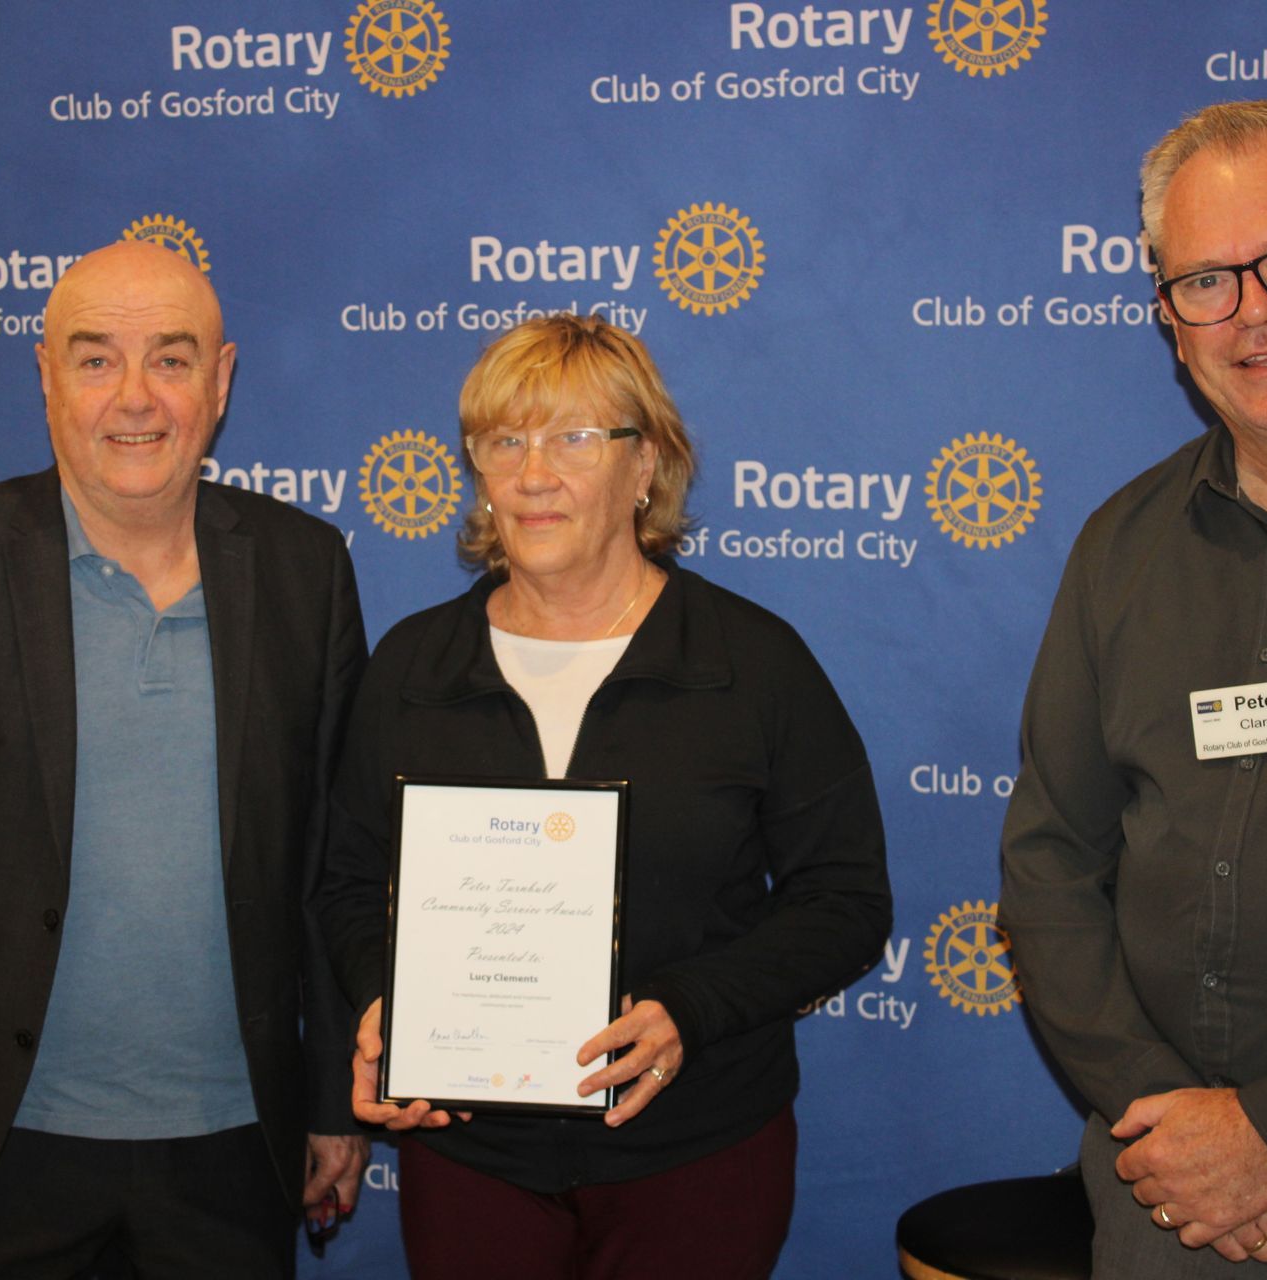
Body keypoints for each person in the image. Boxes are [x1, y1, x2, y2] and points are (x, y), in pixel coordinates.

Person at [0, 241, 369, 1276]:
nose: (136, 398)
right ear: (46, 373)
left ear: (223, 378)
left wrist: (330, 1095)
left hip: (232, 1152)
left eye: (173, 357)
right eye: (97, 358)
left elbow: (331, 864)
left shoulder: (306, 569)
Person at [316, 315, 891, 1278]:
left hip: (695, 1153)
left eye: (575, 437)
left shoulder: (752, 664)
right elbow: (345, 885)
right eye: (506, 440)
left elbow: (845, 902)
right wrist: (386, 1001)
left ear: (646, 467)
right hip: (471, 1160)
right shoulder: (414, 666)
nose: (534, 473)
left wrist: (690, 1008)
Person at [1001, 99, 1267, 1275]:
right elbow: (1047, 864)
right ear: (1169, 319)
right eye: (1206, 281)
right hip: (1166, 1191)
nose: (1255, 312)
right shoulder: (1119, 545)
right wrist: (1179, 1131)